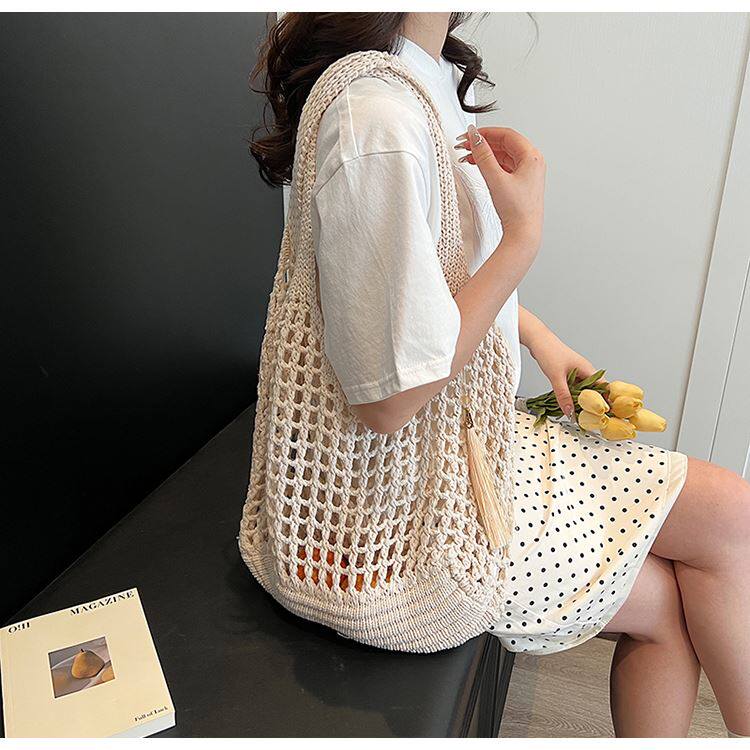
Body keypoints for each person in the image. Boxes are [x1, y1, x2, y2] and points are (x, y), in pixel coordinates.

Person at [249, 12, 750, 737]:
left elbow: (431, 290)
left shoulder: (419, 79)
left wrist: (545, 343)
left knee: (723, 524)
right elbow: (392, 401)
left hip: (454, 446)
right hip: (389, 512)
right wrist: (523, 238)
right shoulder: (376, 118)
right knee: (699, 560)